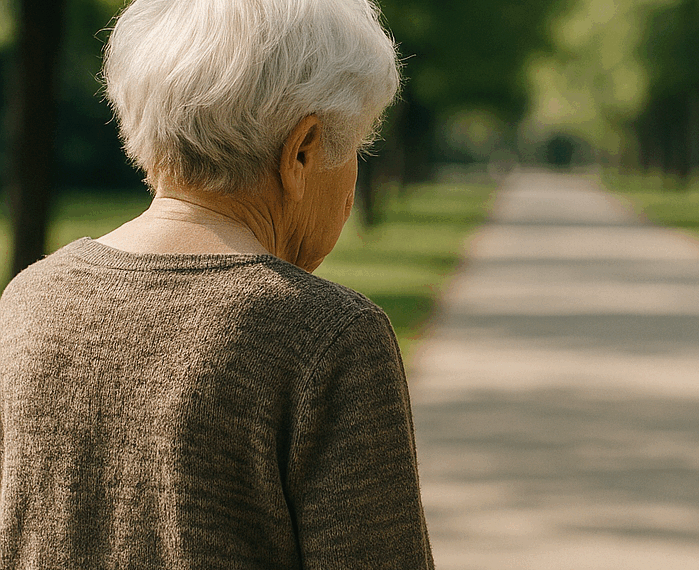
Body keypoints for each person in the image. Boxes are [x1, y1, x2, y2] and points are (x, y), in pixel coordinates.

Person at [0, 0, 434, 567]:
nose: (353, 183)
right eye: (355, 148)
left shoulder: (27, 301)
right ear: (301, 150)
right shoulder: (328, 337)